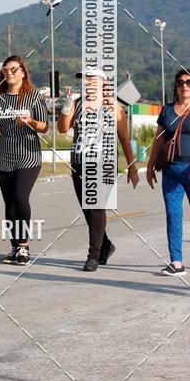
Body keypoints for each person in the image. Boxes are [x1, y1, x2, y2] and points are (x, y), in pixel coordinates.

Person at [58, 68, 138, 271]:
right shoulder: (77, 104)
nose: (87, 82)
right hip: (78, 163)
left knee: (95, 207)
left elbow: (124, 139)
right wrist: (67, 105)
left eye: (92, 78)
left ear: (104, 83)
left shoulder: (114, 108)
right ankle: (106, 246)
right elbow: (62, 128)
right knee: (88, 211)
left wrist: (132, 167)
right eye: (85, 79)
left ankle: (93, 255)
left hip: (104, 164)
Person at [0, 55, 48, 266]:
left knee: (20, 197)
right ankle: (15, 247)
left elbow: (45, 126)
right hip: (4, 157)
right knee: (10, 204)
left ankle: (24, 246)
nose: (10, 73)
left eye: (14, 69)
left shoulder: (33, 96)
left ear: (23, 72)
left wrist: (31, 121)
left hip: (28, 156)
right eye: (6, 70)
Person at [147, 68, 190, 276]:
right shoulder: (167, 110)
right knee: (173, 215)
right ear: (176, 86)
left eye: (188, 82)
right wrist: (149, 166)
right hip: (171, 170)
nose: (184, 86)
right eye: (180, 82)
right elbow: (158, 140)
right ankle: (177, 261)